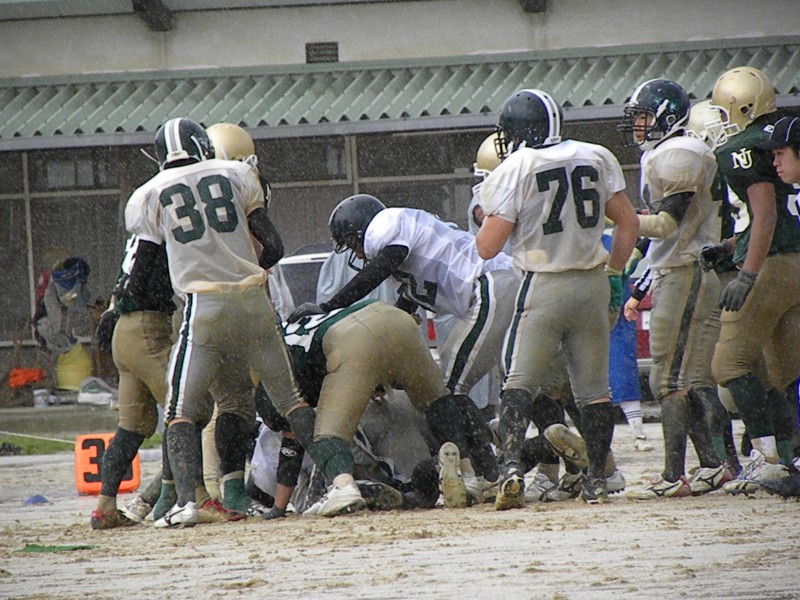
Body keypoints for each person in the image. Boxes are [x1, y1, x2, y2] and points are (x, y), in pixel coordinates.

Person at [125, 117, 307, 528]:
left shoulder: (151, 194)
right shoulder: (239, 177)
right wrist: (243, 269)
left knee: (186, 410)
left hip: (203, 306)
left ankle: (183, 500)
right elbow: (272, 246)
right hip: (251, 300)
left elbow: (141, 274)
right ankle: (337, 480)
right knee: (271, 402)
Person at [288, 193, 523, 486]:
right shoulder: (410, 261)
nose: (358, 256)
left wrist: (328, 306)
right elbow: (400, 320)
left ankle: (487, 474)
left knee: (449, 392)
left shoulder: (387, 224)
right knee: (526, 384)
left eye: (354, 245)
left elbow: (378, 270)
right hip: (503, 286)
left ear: (363, 230)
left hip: (491, 284)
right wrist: (383, 372)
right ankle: (543, 461)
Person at [476, 88, 639, 508]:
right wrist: (615, 272)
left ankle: (511, 468)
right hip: (592, 284)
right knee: (594, 392)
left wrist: (493, 217)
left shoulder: (517, 166)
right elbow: (628, 222)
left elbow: (487, 247)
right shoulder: (595, 155)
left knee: (519, 382)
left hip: (544, 284)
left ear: (519, 131)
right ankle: (596, 480)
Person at [615, 79, 730, 500]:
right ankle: (716, 465)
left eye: (644, 117)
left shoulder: (679, 152)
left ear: (667, 116)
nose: (638, 126)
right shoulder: (669, 152)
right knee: (688, 379)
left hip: (686, 269)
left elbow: (666, 225)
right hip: (679, 267)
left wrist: (615, 217)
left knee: (668, 378)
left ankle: (673, 474)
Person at [90, 236, 241, 529]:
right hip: (148, 329)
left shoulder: (139, 233)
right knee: (191, 409)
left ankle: (105, 506)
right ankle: (197, 498)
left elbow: (132, 278)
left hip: (124, 329)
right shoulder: (161, 229)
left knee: (133, 426)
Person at [283, 299, 482, 516]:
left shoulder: (284, 356)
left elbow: (295, 433)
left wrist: (277, 507)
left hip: (359, 386)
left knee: (329, 440)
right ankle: (474, 473)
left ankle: (350, 487)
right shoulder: (333, 319)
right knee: (441, 402)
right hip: (394, 322)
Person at [700, 67, 800, 493]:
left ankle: (766, 455)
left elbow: (765, 214)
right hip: (792, 260)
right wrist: (730, 246)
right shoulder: (780, 139)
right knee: (783, 372)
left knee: (728, 364)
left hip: (770, 265)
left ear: (742, 107)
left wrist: (747, 272)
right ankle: (790, 456)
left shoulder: (742, 148)